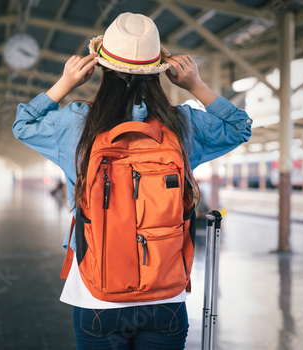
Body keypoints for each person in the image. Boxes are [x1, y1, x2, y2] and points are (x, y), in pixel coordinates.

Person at [13, 12, 252, 350]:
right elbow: (239, 127)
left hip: (98, 301)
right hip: (165, 299)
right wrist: (194, 84)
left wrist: (65, 83)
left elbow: (22, 124)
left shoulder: (76, 123)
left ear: (102, 68)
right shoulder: (182, 124)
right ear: (159, 71)